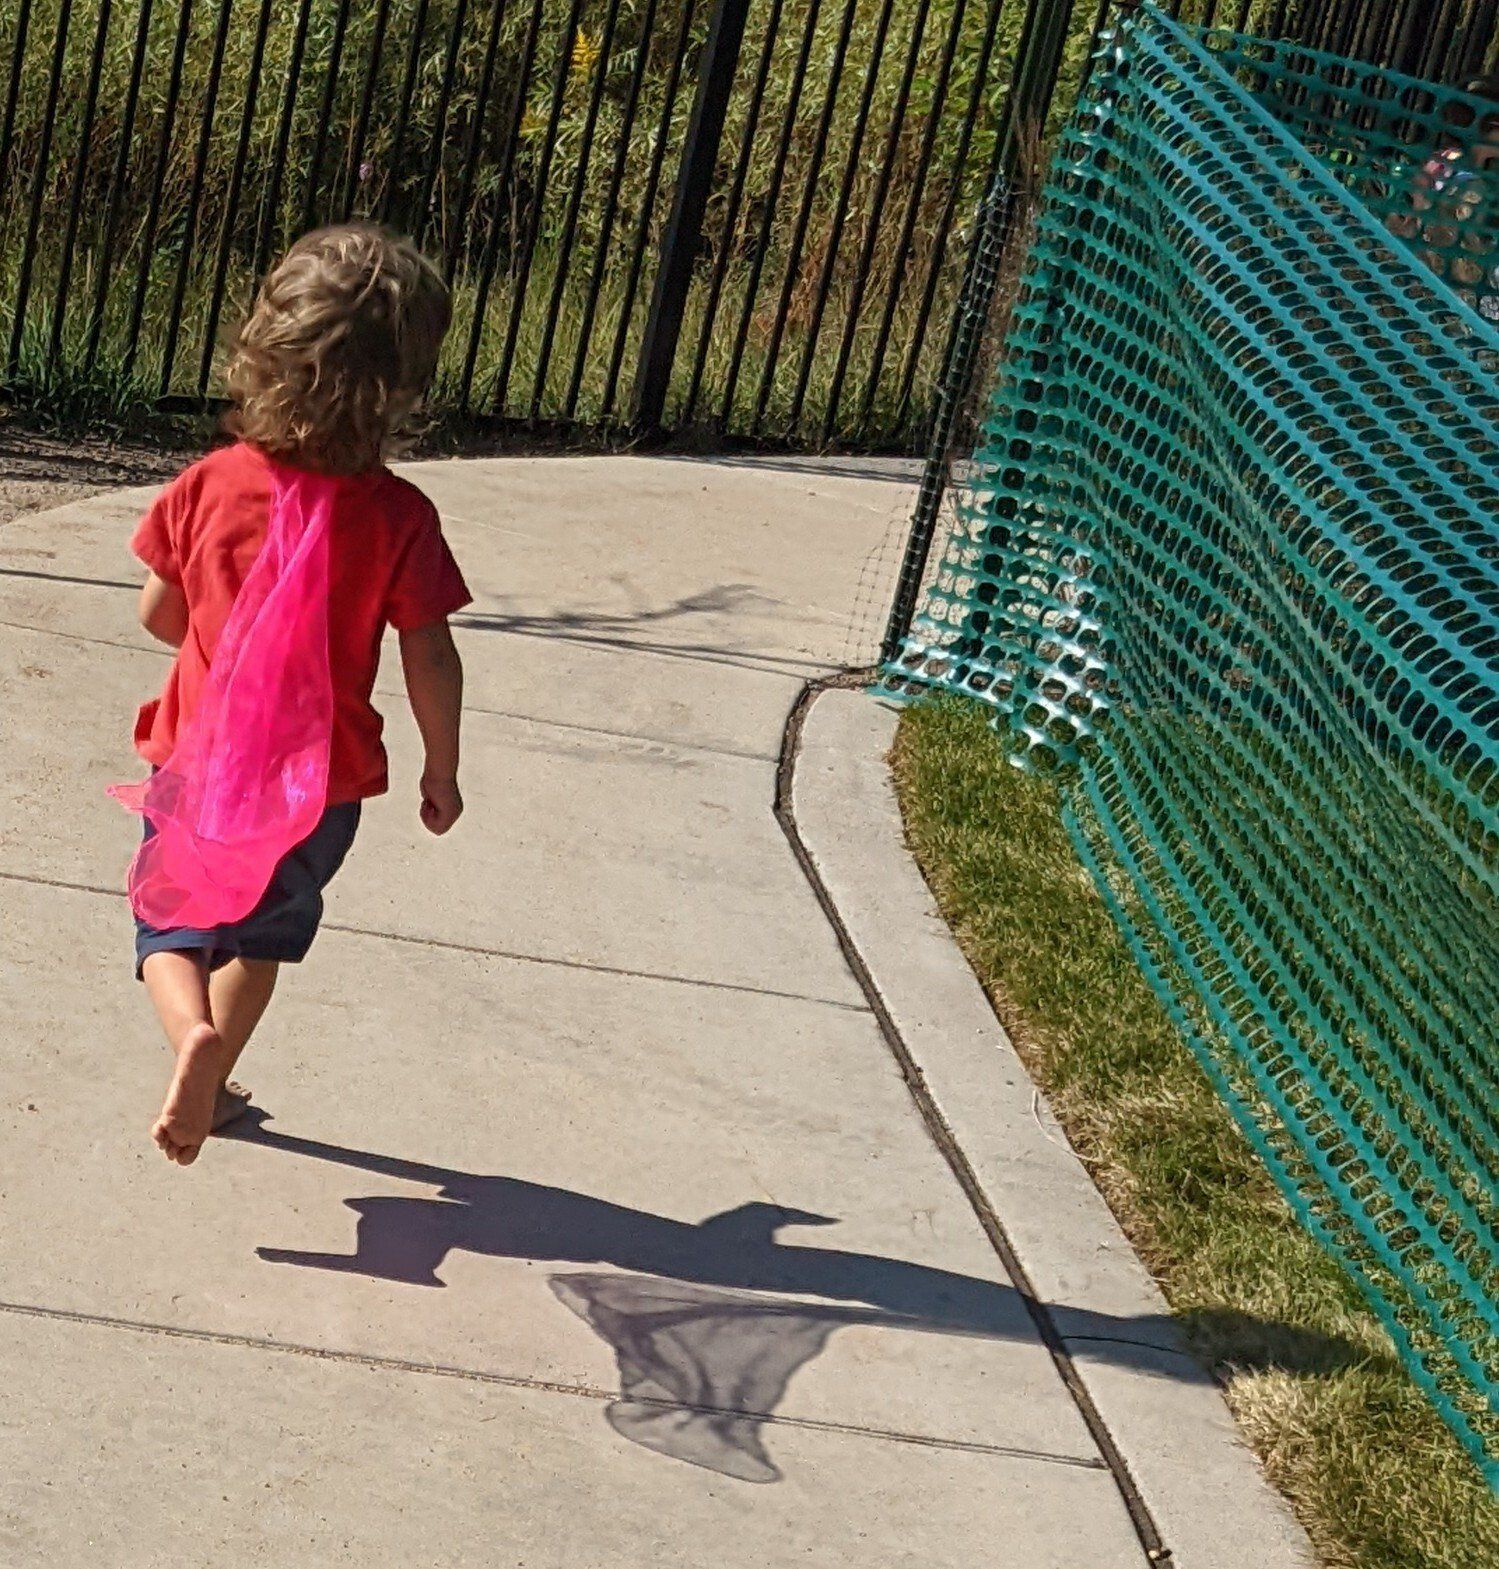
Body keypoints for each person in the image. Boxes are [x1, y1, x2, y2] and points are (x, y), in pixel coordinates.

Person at [116, 224, 470, 1168]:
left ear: (261, 354)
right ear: (401, 388)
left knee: (170, 921)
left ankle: (187, 1034)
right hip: (321, 785)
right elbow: (429, 653)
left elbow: (160, 613)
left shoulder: (209, 486)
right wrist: (442, 765)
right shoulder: (399, 516)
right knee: (261, 937)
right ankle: (218, 1068)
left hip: (201, 761)